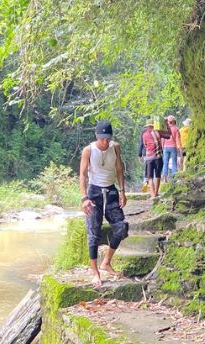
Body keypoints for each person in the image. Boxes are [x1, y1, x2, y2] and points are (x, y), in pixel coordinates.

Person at [79, 120, 128, 287]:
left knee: (121, 227)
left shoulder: (115, 147)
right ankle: (95, 273)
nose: (105, 142)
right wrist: (84, 198)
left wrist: (122, 191)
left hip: (112, 191)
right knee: (94, 232)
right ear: (96, 136)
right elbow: (83, 175)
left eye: (108, 138)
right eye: (102, 139)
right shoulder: (88, 150)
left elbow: (119, 169)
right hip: (94, 193)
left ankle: (106, 262)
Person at [139, 120, 163, 199]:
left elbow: (144, 144)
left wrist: (140, 154)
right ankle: (156, 193)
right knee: (158, 175)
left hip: (149, 157)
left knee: (150, 177)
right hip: (158, 157)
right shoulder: (158, 133)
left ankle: (153, 195)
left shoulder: (144, 134)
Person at [163, 115, 182, 180]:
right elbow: (178, 140)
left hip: (165, 147)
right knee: (174, 162)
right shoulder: (176, 129)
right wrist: (180, 149)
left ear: (168, 122)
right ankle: (174, 178)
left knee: (165, 163)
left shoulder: (165, 129)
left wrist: (162, 147)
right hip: (173, 147)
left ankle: (165, 178)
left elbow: (163, 139)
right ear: (174, 121)